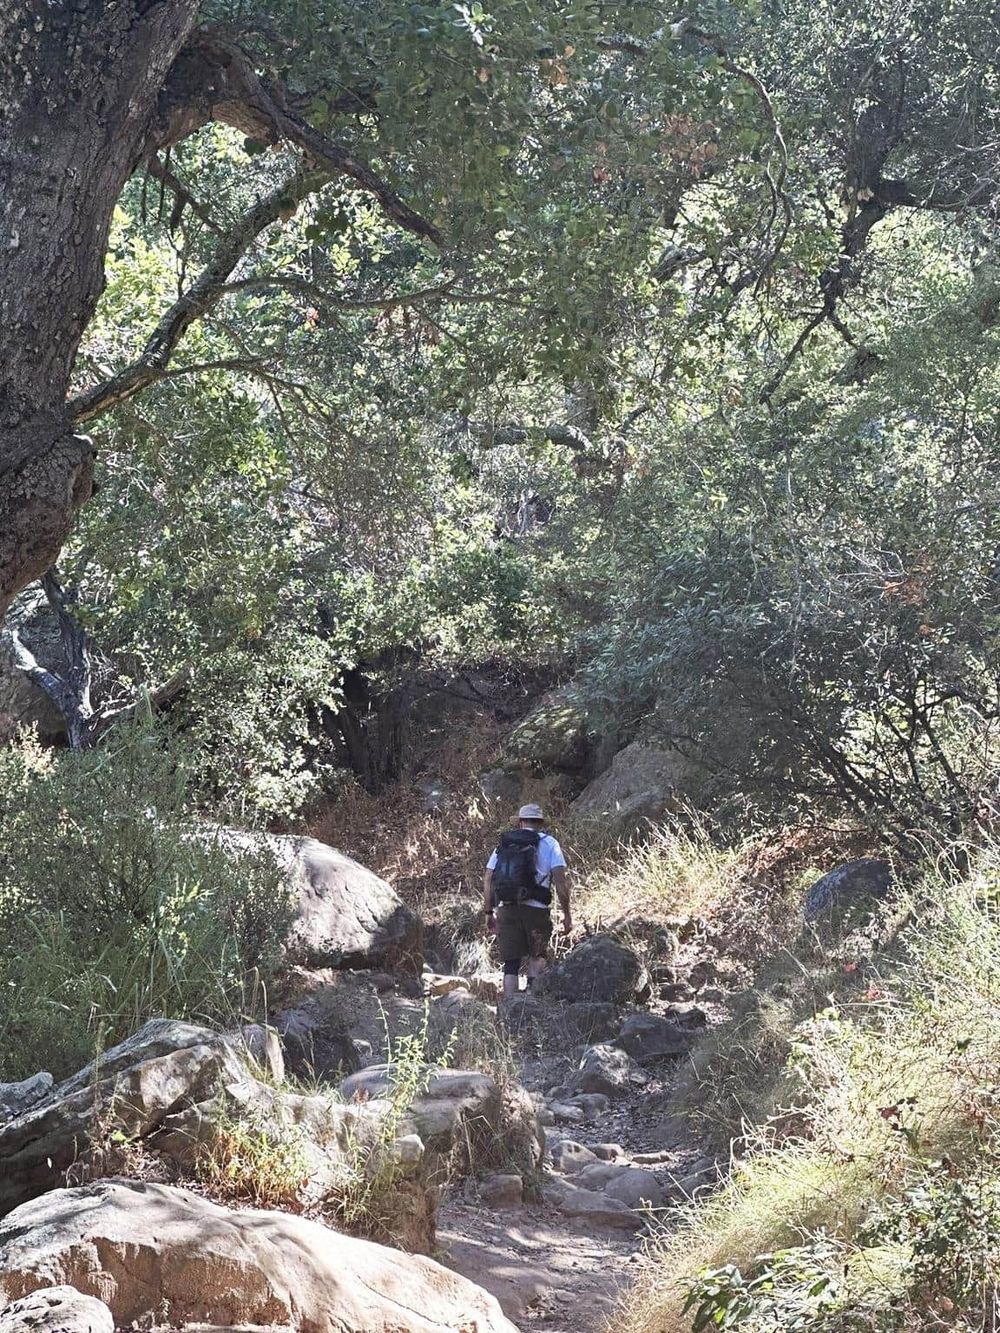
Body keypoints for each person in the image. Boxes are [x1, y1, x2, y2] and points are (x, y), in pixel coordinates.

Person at [483, 802, 572, 998]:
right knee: (537, 955)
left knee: (511, 963)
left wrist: (488, 912)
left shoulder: (505, 844)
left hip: (506, 908)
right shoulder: (550, 844)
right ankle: (532, 1005)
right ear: (540, 823)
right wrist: (567, 915)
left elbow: (489, 877)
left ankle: (509, 1011)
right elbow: (560, 883)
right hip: (537, 909)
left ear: (521, 822)